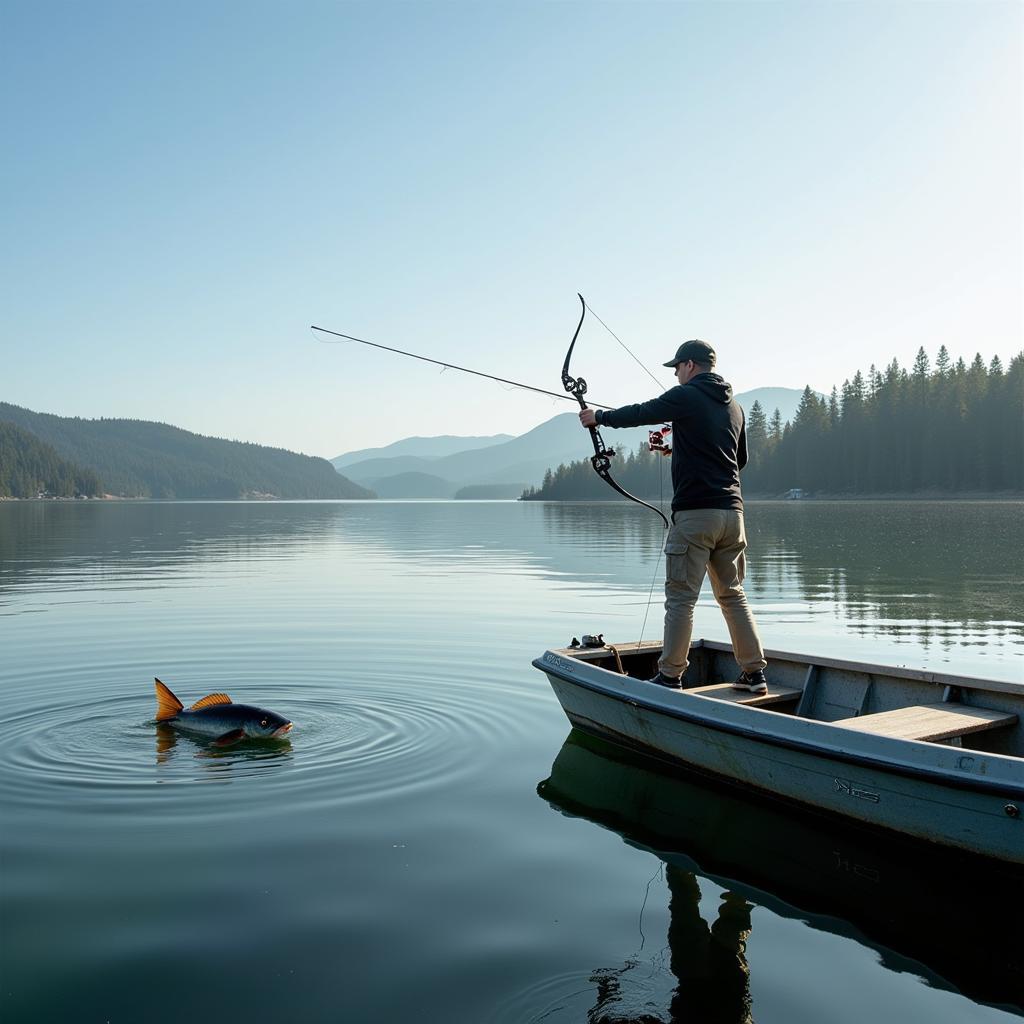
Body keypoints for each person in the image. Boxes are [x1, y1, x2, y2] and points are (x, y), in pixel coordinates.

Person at [578, 339, 768, 693]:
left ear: (691, 365)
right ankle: (755, 674)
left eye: (677, 367)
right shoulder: (736, 407)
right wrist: (685, 446)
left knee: (681, 598)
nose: (676, 373)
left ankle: (670, 676)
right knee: (733, 595)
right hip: (733, 515)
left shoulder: (686, 396)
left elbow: (642, 412)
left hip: (696, 515)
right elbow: (738, 461)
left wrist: (598, 417)